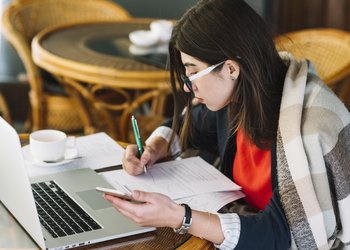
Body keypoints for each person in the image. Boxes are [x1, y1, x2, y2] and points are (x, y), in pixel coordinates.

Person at [103, 0, 350, 249]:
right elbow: (192, 127)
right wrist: (155, 146)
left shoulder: (304, 132)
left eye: (193, 72)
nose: (189, 86)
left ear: (231, 68)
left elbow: (283, 235)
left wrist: (181, 217)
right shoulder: (242, 98)